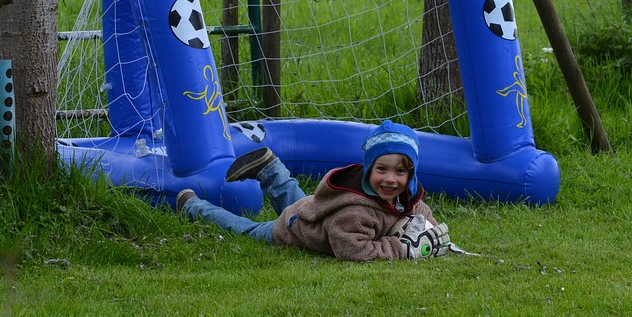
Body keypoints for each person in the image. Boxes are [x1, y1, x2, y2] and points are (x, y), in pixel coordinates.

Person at [175, 120, 454, 261]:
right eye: (382, 169)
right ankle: (193, 206)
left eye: (400, 172)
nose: (391, 180)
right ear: (369, 169)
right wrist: (402, 249)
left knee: (302, 201)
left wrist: (427, 225)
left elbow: (416, 209)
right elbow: (353, 251)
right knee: (247, 228)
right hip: (294, 229)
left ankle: (270, 169)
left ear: (411, 174)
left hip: (313, 211)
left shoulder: (404, 192)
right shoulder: (354, 213)